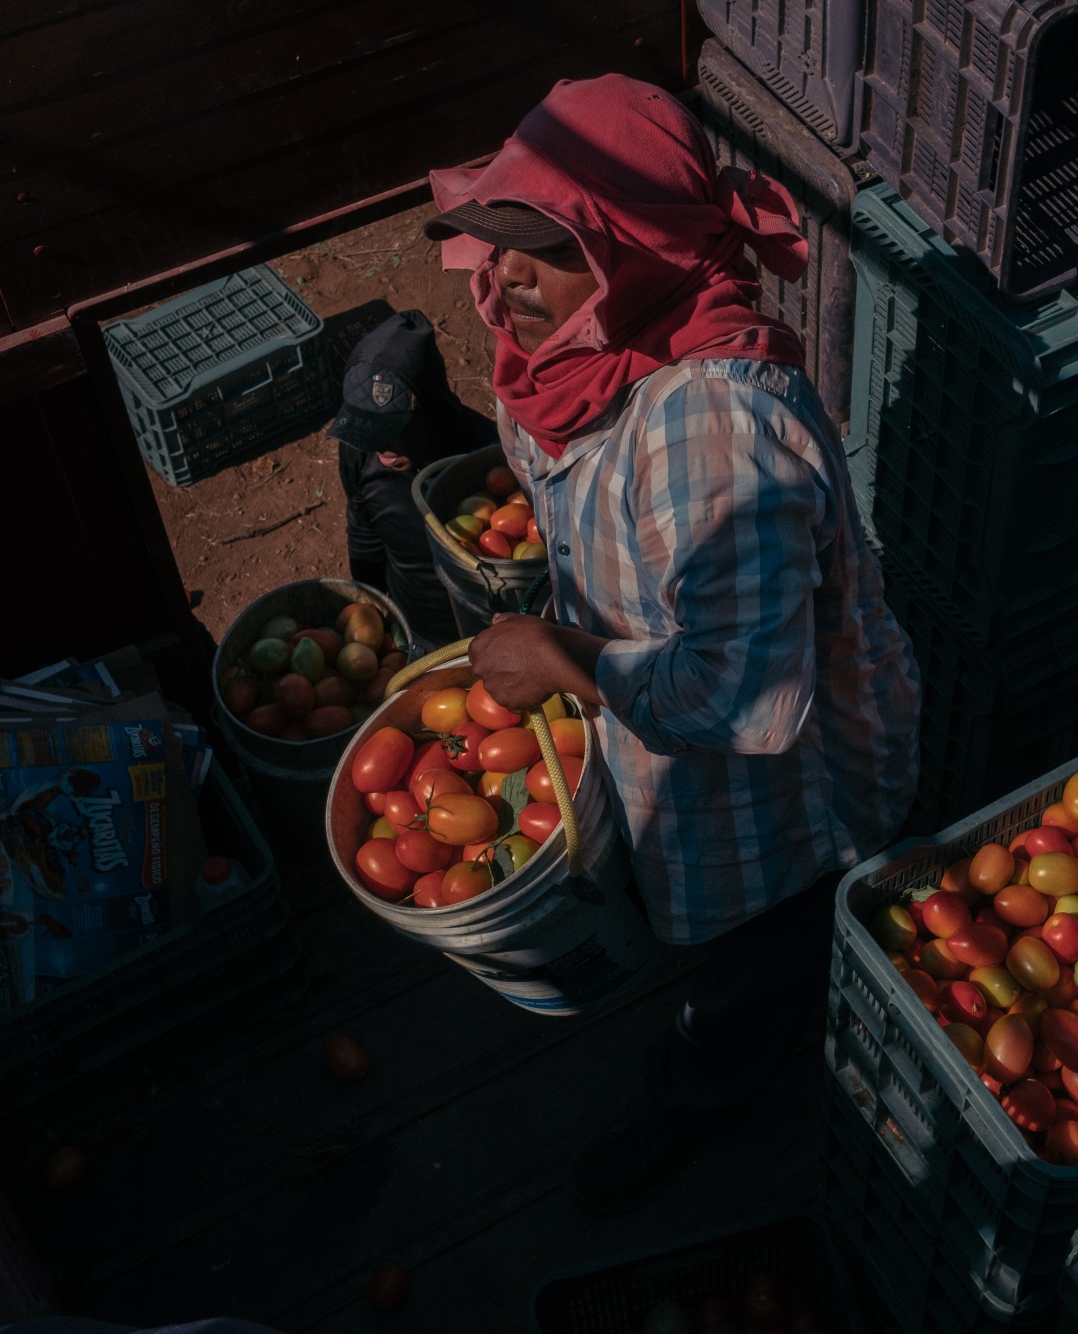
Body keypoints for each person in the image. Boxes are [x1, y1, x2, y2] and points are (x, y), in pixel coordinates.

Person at [425, 75, 920, 1214]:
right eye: (501, 241)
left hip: (780, 792)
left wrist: (560, 658)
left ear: (635, 251)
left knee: (756, 962)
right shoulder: (572, 359)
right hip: (663, 728)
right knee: (705, 929)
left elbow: (749, 699)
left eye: (549, 249)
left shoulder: (714, 424)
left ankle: (701, 1096)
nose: (506, 277)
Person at [327, 311, 493, 647]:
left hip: (491, 633)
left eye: (391, 430)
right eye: (367, 429)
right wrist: (372, 613)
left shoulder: (489, 456)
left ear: (430, 409)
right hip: (416, 632)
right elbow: (364, 533)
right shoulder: (360, 452)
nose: (379, 447)